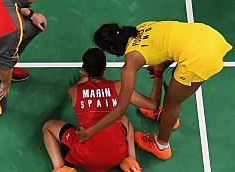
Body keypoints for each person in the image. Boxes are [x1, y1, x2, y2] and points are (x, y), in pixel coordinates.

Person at [80, 21, 232, 160]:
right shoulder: (141, 27)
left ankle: (161, 146)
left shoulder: (131, 60)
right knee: (175, 80)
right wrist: (163, 66)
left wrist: (89, 132)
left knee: (171, 104)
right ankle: (167, 120)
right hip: (208, 35)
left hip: (201, 57)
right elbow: (172, 41)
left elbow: (121, 109)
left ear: (111, 48)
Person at [42, 48, 163, 172]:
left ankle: (60, 171)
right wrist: (158, 76)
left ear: (84, 70)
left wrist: (85, 76)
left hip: (85, 157)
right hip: (117, 155)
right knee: (124, 119)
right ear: (105, 69)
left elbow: (83, 85)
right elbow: (153, 105)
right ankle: (132, 163)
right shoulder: (119, 87)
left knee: (48, 126)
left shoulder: (73, 90)